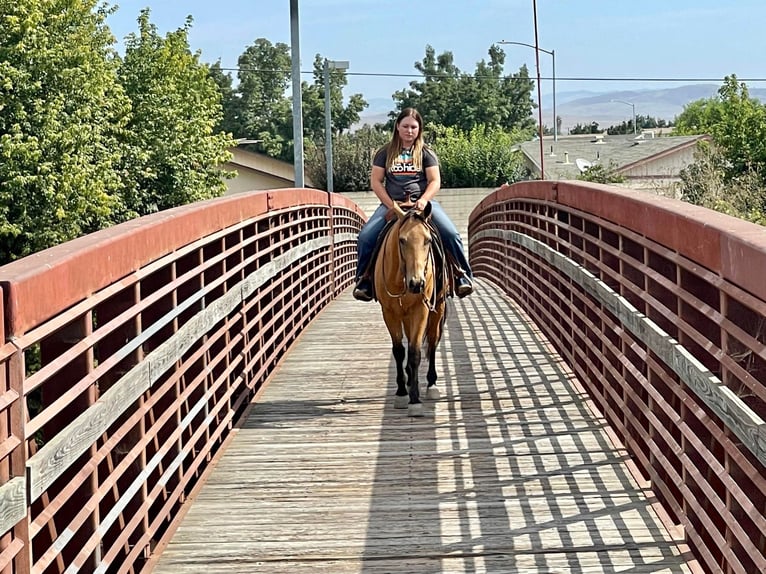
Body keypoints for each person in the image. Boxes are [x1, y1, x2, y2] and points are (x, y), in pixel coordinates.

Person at [353, 107, 473, 302]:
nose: (410, 131)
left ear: (419, 129)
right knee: (366, 236)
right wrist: (390, 205)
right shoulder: (384, 153)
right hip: (393, 205)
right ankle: (364, 280)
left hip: (422, 205)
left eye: (414, 127)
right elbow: (376, 182)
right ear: (397, 127)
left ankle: (462, 276)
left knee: (451, 234)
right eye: (406, 126)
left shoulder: (426, 153)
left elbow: (435, 181)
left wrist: (424, 200)